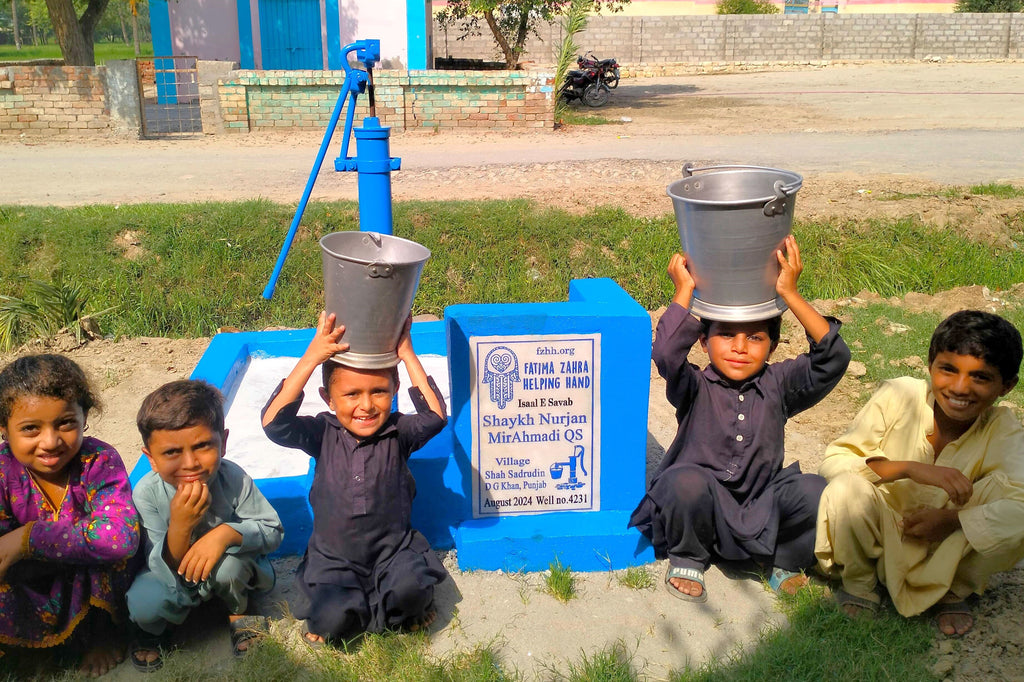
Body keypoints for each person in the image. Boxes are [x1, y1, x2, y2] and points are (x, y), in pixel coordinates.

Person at [630, 235, 850, 602]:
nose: (739, 347)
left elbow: (834, 358)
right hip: (699, 506)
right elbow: (666, 352)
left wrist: (790, 293)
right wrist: (684, 290)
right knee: (683, 481)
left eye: (755, 337)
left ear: (773, 346)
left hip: (760, 506)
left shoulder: (779, 383)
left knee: (816, 491)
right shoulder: (695, 385)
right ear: (703, 342)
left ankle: (783, 559)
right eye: (726, 335)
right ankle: (689, 555)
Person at [815, 310, 1024, 636]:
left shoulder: (1003, 428)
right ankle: (860, 582)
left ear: (1006, 386)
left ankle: (952, 589)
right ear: (930, 367)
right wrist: (908, 469)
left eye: (980, 377)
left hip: (946, 549)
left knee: (1016, 509)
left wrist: (951, 522)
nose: (960, 387)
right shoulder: (900, 395)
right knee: (845, 489)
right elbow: (834, 461)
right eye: (948, 370)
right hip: (882, 534)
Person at [261, 312, 448, 647]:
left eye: (379, 391)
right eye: (351, 395)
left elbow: (435, 417)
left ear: (394, 391)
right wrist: (312, 355)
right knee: (332, 620)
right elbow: (274, 424)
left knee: (411, 592)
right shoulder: (321, 432)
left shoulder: (398, 431)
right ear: (328, 399)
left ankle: (406, 601)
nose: (366, 405)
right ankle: (346, 603)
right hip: (335, 558)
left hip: (393, 552)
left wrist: (406, 353)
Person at [127, 380, 283, 671]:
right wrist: (180, 526)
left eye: (202, 446)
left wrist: (226, 534)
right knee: (142, 602)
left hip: (225, 571)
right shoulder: (146, 493)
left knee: (230, 568)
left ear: (223, 442)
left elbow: (272, 530)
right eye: (172, 452)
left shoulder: (233, 478)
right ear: (151, 459)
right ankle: (155, 631)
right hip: (172, 578)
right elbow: (159, 565)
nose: (190, 463)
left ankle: (241, 609)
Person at [0, 354, 140, 677]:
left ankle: (102, 635)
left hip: (89, 581)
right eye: (30, 429)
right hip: (35, 579)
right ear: (5, 431)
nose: (50, 442)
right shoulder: (4, 471)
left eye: (65, 423)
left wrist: (29, 538)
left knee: (111, 555)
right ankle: (31, 646)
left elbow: (120, 538)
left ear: (84, 416)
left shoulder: (98, 460)